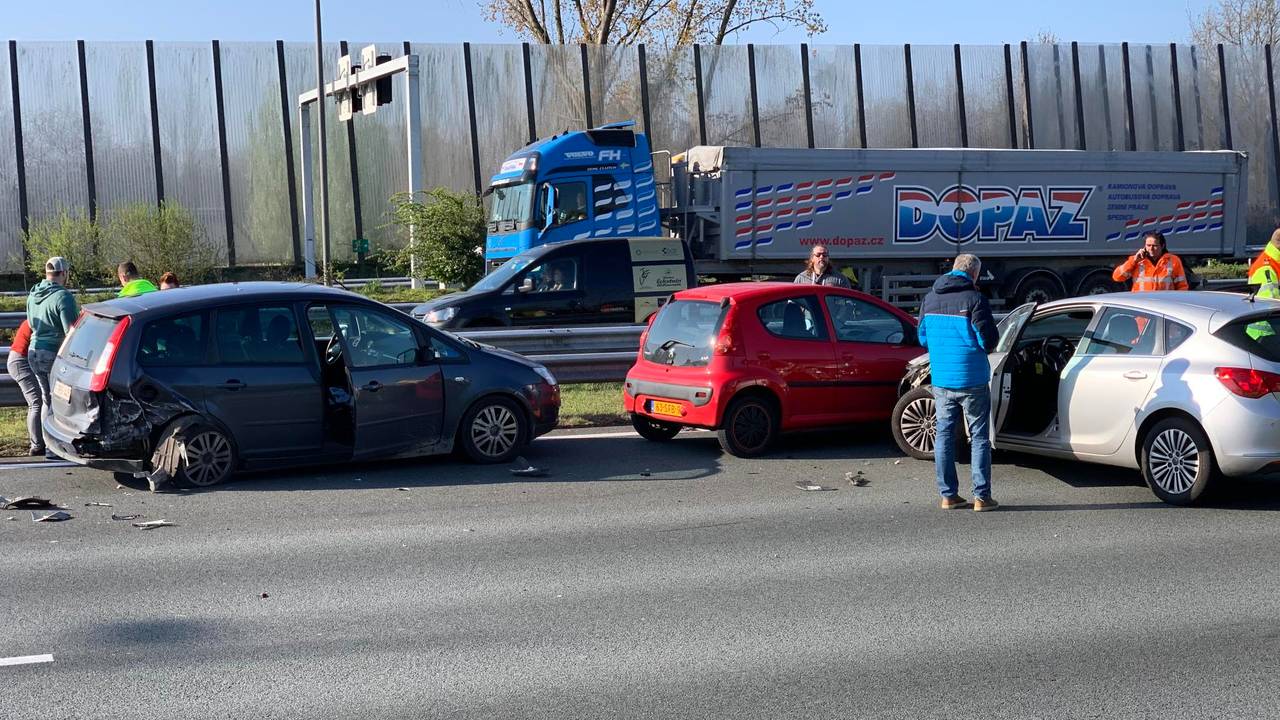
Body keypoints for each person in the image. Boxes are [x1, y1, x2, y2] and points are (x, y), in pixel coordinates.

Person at [918, 253, 1000, 512]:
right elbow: (989, 341)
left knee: (943, 435)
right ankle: (981, 497)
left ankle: (948, 495)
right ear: (974, 274)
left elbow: (922, 338)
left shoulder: (929, 299)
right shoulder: (976, 299)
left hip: (942, 378)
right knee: (978, 437)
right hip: (972, 377)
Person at [26, 257, 80, 459]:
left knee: (45, 399)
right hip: (52, 353)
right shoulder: (63, 297)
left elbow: (31, 323)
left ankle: (40, 444)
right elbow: (71, 332)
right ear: (64, 273)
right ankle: (52, 447)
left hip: (33, 351)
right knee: (56, 402)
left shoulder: (33, 294)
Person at [6, 319, 44, 456]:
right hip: (21, 361)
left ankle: (40, 443)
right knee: (37, 402)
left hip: (22, 359)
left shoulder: (36, 318)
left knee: (40, 402)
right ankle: (37, 445)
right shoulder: (38, 322)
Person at [1112, 231, 1189, 292]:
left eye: (1154, 246)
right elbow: (1117, 277)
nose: (1151, 249)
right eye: (1148, 245)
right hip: (1142, 306)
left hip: (1164, 305)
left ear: (1162, 246)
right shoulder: (1136, 260)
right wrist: (1133, 261)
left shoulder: (1173, 260)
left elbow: (1182, 286)